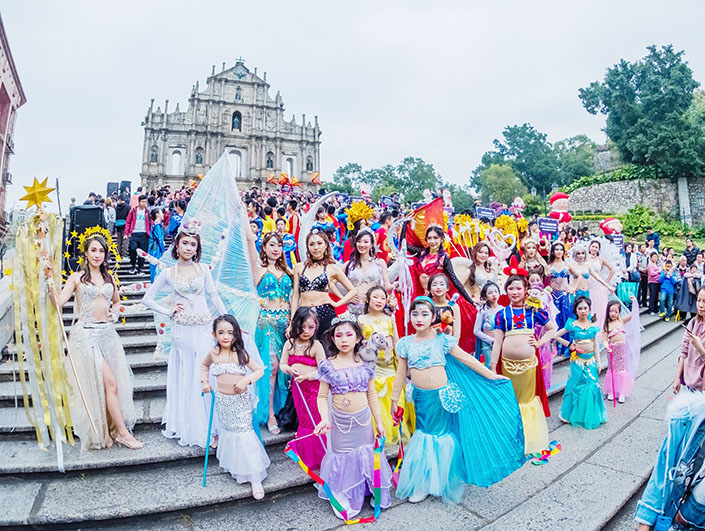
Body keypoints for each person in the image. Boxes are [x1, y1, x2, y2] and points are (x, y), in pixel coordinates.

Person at [391, 296, 525, 503]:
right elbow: (401, 373)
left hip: (440, 397)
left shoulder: (442, 340)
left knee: (439, 437)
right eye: (415, 314)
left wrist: (491, 375)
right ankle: (423, 483)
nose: (419, 318)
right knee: (424, 436)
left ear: (433, 317)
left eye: (424, 314)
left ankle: (439, 481)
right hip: (420, 398)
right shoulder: (405, 343)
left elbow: (467, 359)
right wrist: (394, 400)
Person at [142, 224, 228, 448]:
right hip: (181, 330)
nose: (189, 248)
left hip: (203, 328)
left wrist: (228, 320)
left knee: (206, 372)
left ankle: (211, 426)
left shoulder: (204, 270)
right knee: (187, 374)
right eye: (185, 243)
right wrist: (167, 311)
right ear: (177, 245)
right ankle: (190, 426)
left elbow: (214, 296)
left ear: (197, 248)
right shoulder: (168, 273)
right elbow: (147, 299)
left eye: (193, 244)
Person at [58, 234, 142, 450]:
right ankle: (123, 433)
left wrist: (115, 312)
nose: (97, 255)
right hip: (86, 336)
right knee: (110, 382)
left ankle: (107, 431)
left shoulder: (109, 278)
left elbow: (116, 301)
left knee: (108, 384)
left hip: (107, 334)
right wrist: (48, 284)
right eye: (93, 250)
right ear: (86, 253)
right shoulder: (76, 278)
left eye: (101, 251)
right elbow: (59, 301)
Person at [314, 315, 393, 519]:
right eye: (339, 335)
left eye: (349, 335)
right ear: (332, 339)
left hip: (363, 422)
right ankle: (346, 495)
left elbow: (371, 395)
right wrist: (324, 419)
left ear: (358, 338)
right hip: (340, 425)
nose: (344, 339)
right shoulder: (327, 365)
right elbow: (321, 396)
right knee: (344, 458)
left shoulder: (366, 363)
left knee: (366, 456)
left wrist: (379, 422)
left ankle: (370, 489)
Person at [200, 315, 269, 499]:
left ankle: (254, 476)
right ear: (214, 334)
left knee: (243, 433)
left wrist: (246, 380)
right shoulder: (213, 353)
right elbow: (204, 366)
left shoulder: (240, 353)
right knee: (229, 432)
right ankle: (237, 466)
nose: (225, 336)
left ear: (236, 334)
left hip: (240, 402)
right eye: (221, 332)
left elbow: (259, 370)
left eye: (230, 333)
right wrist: (204, 382)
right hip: (223, 401)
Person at [492, 273, 556, 455]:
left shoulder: (534, 311)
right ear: (506, 291)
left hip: (528, 365)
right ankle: (511, 439)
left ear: (525, 290)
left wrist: (539, 342)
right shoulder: (501, 314)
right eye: (511, 288)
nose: (514, 292)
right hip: (507, 365)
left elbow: (553, 329)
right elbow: (497, 342)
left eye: (518, 288)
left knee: (526, 400)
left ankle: (529, 439)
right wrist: (492, 366)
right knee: (511, 400)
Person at [246, 230, 292, 433]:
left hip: (287, 325)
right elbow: (249, 240)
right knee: (271, 368)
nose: (276, 249)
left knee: (285, 370)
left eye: (279, 245)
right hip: (266, 324)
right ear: (263, 247)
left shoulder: (288, 270)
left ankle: (284, 411)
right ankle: (270, 413)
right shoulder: (258, 269)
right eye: (271, 244)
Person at [358, 286, 411, 446]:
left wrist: (401, 361)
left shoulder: (389, 319)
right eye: (375, 297)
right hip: (372, 364)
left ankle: (396, 432)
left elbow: (396, 340)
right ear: (368, 300)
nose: (379, 301)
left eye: (383, 298)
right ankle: (379, 433)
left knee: (394, 394)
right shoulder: (361, 320)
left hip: (389, 363)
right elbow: (359, 342)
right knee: (376, 396)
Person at [280, 307, 327, 470]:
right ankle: (306, 454)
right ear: (295, 325)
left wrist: (307, 376)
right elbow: (282, 364)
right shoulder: (289, 344)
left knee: (316, 418)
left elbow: (323, 370)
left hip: (314, 388)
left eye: (310, 327)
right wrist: (289, 369)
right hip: (298, 389)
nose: (306, 331)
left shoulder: (316, 345)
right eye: (302, 327)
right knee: (304, 418)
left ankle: (321, 454)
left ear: (316, 326)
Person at [291, 231, 356, 339]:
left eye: (319, 243)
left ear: (326, 245)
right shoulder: (299, 267)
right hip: (303, 314)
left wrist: (337, 304)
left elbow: (352, 290)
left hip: (325, 313)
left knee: (325, 346)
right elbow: (295, 295)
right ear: (307, 247)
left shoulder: (332, 268)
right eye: (311, 244)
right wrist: (292, 321)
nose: (316, 248)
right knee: (303, 347)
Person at [554, 296, 607, 429]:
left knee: (592, 386)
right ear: (576, 310)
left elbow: (595, 346)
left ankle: (590, 416)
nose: (583, 311)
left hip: (591, 361)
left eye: (585, 308)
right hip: (577, 362)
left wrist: (599, 363)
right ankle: (573, 415)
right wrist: (569, 345)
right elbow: (556, 336)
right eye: (580, 308)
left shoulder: (593, 326)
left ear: (589, 309)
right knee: (577, 386)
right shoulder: (572, 325)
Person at [343, 229, 393, 317]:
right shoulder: (349, 264)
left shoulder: (380, 263)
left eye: (366, 242)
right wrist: (344, 299)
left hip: (372, 310)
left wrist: (396, 285)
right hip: (352, 310)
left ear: (372, 244)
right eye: (359, 241)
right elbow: (331, 282)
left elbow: (386, 285)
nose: (362, 245)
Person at [603, 296, 640, 403]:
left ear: (619, 312)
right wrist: (606, 346)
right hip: (612, 349)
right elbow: (604, 339)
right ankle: (612, 390)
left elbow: (633, 315)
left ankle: (622, 391)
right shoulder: (606, 325)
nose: (613, 313)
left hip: (622, 349)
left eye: (616, 311)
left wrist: (634, 303)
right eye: (611, 311)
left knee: (621, 369)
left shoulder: (621, 321)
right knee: (612, 369)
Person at [674, 286, 705, 394]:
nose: (700, 305)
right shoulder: (693, 323)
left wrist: (700, 347)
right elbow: (684, 352)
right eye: (699, 300)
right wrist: (677, 378)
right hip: (689, 383)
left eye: (704, 301)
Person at [473, 281, 501, 368]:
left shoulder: (503, 310)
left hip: (501, 344)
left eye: (496, 292)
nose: (494, 294)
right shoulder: (483, 311)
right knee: (490, 368)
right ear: (485, 297)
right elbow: (476, 331)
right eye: (490, 293)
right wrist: (491, 340)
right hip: (488, 346)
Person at [125, 194, 152, 275]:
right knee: (132, 249)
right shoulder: (133, 211)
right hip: (134, 233)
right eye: (142, 202)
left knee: (142, 252)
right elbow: (128, 222)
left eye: (145, 202)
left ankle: (140, 268)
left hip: (144, 233)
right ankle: (133, 265)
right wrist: (126, 233)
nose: (144, 203)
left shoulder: (147, 212)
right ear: (139, 202)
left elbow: (150, 222)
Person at [147, 208, 165, 283]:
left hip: (153, 248)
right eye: (161, 212)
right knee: (156, 268)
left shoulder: (155, 225)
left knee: (154, 268)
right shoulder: (157, 226)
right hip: (156, 249)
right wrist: (163, 250)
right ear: (157, 214)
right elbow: (160, 239)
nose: (163, 214)